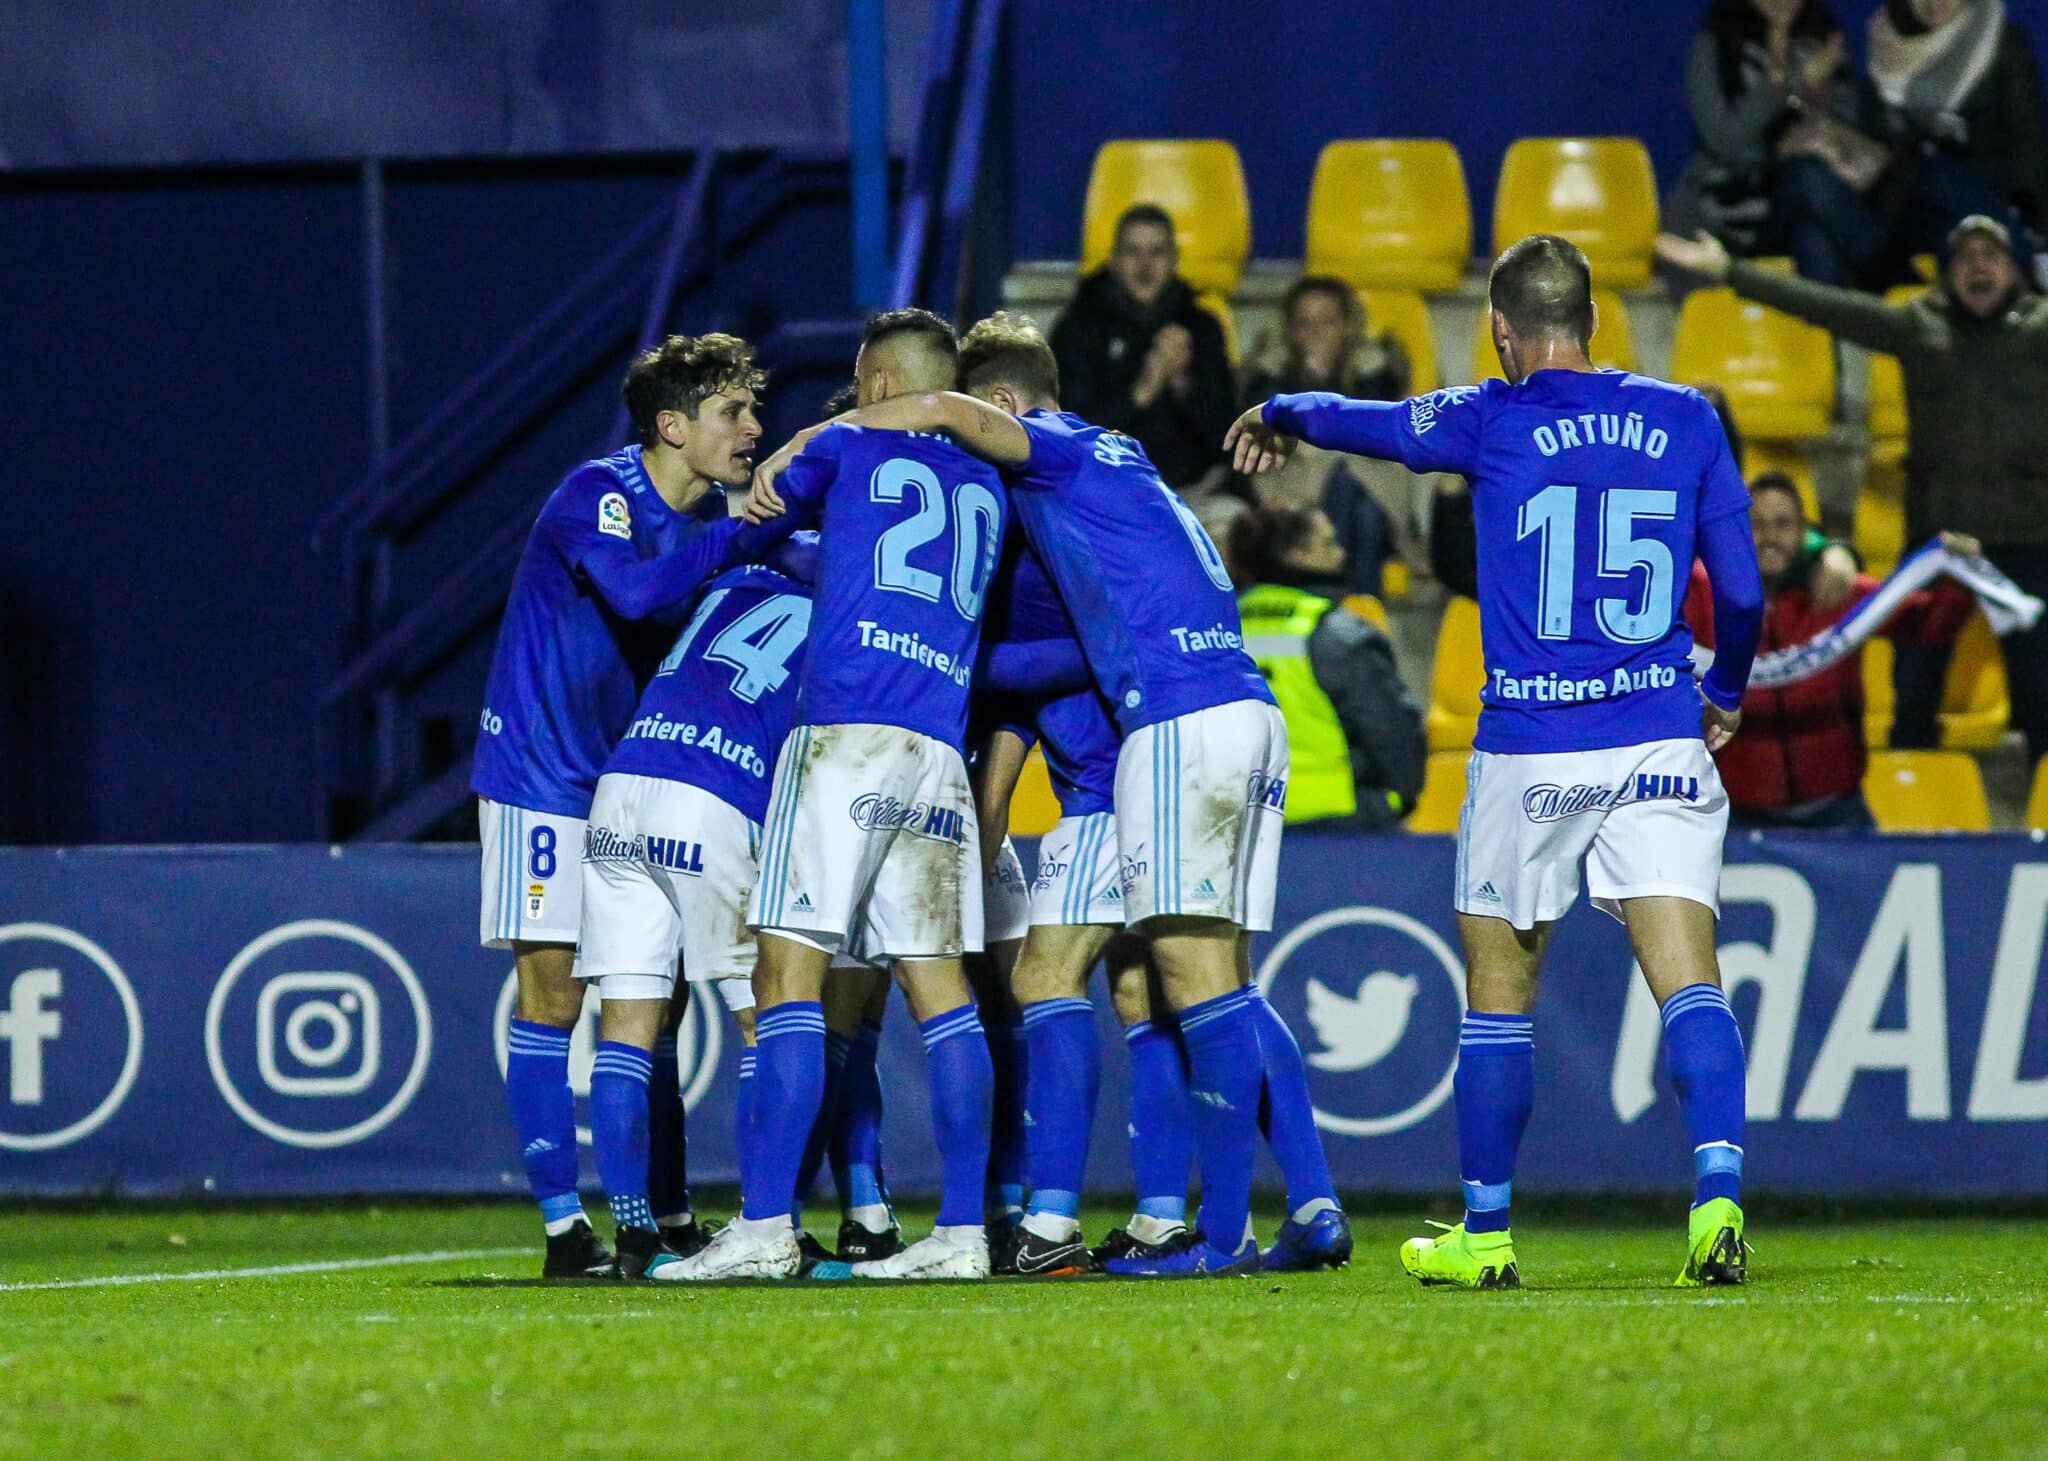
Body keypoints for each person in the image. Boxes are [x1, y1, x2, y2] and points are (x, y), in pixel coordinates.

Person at [1228, 234, 1767, 1288]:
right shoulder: (1685, 417)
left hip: (1529, 747)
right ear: (1595, 321)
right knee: (1687, 980)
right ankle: (1713, 1205)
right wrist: (1726, 694)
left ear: (1499, 330)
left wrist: (1281, 408)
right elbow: (1740, 596)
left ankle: (1483, 1234)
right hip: (1657, 732)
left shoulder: (1488, 413)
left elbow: (1371, 427)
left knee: (1496, 988)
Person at [813, 311, 1307, 1278]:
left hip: (1164, 728)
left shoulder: (1051, 463)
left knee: (1194, 980)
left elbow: (1023, 699)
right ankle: (1136, 1219)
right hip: (1211, 711)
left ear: (999, 406)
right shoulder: (1117, 463)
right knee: (1126, 980)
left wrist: (823, 436)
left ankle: (1221, 1233)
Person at [672, 308, 1008, 1282]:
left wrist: (795, 444)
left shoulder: (855, 445)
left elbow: (761, 501)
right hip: (938, 744)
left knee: (785, 977)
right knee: (940, 990)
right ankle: (959, 1235)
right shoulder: (989, 482)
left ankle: (764, 1231)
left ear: (873, 385)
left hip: (846, 734)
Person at [471, 333, 779, 1278]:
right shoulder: (597, 495)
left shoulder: (711, 515)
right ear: (673, 426)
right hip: (541, 772)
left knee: (660, 993)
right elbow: (639, 595)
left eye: (754, 411)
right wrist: (749, 530)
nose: (755, 428)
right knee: (555, 991)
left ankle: (666, 1215)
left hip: (627, 779)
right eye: (734, 412)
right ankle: (568, 1227)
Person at [1657, 215, 2048, 761]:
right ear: (1946, 274)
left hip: (2030, 543)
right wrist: (1733, 272)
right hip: (1939, 547)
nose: (1978, 269)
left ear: (2016, 272)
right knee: (1912, 695)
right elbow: (1827, 307)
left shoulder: (2041, 329)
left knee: (2042, 698)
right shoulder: (1920, 326)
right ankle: (1911, 822)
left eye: (1992, 257)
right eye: (1965, 258)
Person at [576, 553, 816, 1277]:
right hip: (713, 791)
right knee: (764, 1015)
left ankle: (635, 1237)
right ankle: (766, 1224)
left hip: (623, 784)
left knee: (624, 1030)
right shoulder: (845, 608)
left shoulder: (736, 578)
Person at [1683, 473, 1976, 828]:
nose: (1769, 537)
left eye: (1783, 524)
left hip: (1838, 809)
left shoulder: (1839, 592)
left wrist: (1960, 576)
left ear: (1805, 533)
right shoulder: (1702, 594)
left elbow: (1929, 624)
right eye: (1755, 524)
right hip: (1734, 812)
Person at [1228, 506, 1427, 828]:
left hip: (1243, 820)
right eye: (1328, 543)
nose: (1341, 553)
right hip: (1340, 824)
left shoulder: (1220, 633)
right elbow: (1393, 733)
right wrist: (1395, 801)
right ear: (1296, 555)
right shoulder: (1337, 635)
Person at [1665, 1, 1883, 284]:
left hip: (1799, 205)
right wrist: (1783, 87)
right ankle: (1888, 276)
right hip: (1731, 206)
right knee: (1808, 187)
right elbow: (1724, 141)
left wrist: (1819, 92)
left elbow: (1850, 130)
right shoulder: (1716, 46)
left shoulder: (1821, 42)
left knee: (1813, 235)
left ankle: (1846, 321)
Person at [1237, 277, 1407, 596]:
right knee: (1361, 509)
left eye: (1327, 322)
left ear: (1347, 327)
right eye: (1304, 322)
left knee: (1360, 500)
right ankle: (1359, 614)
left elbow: (1381, 434)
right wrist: (1305, 383)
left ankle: (1334, 599)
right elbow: (1265, 433)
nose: (1315, 333)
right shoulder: (1269, 373)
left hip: (1369, 483)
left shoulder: (1372, 369)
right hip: (1291, 486)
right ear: (1289, 330)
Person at [1051, 204, 1237, 491]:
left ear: (1174, 260)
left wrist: (1183, 387)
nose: (1145, 264)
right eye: (1133, 251)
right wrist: (1140, 394)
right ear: (1113, 261)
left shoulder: (1202, 328)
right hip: (1105, 491)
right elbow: (1068, 434)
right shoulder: (1078, 328)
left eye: (1157, 252)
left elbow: (1226, 440)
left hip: (1192, 495)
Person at [1864, 0, 2048, 269]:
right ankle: (2025, 265)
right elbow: (1879, 140)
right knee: (1929, 169)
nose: (1935, 2)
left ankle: (2018, 255)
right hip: (1911, 203)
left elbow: (2027, 136)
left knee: (1941, 177)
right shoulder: (1885, 47)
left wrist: (2030, 209)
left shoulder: (2001, 40)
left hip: (1994, 192)